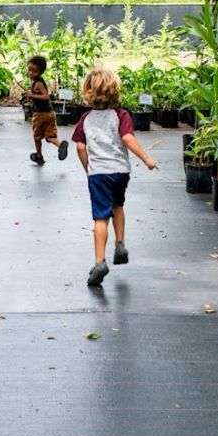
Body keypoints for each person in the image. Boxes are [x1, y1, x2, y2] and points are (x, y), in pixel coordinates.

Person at [71, 66, 159, 287]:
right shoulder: (121, 115)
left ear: (87, 91)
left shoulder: (86, 119)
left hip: (99, 174)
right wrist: (146, 159)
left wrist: (88, 167)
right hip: (120, 172)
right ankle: (120, 244)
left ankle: (99, 262)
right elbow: (128, 139)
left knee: (100, 218)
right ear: (114, 91)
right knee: (117, 205)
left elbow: (80, 147)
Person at [24, 55, 68, 165]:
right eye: (29, 70)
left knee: (37, 137)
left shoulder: (38, 83)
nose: (30, 73)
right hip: (50, 113)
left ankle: (39, 156)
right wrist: (31, 95)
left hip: (40, 115)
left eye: (34, 71)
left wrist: (32, 95)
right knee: (50, 136)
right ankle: (60, 144)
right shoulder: (38, 82)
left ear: (40, 72)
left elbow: (46, 96)